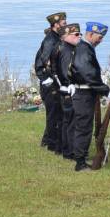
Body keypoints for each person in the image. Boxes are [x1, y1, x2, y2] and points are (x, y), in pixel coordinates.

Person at [65, 22, 110, 171]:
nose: (101, 40)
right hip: (84, 93)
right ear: (90, 34)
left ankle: (80, 158)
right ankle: (80, 163)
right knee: (84, 128)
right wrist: (106, 91)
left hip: (86, 92)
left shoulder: (84, 48)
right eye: (99, 37)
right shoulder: (84, 49)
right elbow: (88, 74)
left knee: (84, 126)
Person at [34, 11, 67, 153]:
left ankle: (48, 140)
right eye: (64, 24)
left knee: (57, 113)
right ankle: (51, 144)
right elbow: (41, 63)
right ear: (56, 25)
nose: (66, 26)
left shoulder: (57, 38)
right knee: (54, 114)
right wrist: (47, 80)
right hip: (51, 85)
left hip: (56, 82)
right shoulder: (50, 41)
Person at [53, 23, 81, 159]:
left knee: (67, 121)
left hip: (66, 90)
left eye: (80, 34)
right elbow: (66, 71)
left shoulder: (69, 48)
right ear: (66, 36)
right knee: (72, 122)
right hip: (69, 91)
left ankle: (66, 150)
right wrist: (71, 84)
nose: (79, 37)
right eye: (76, 35)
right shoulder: (67, 51)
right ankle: (71, 152)